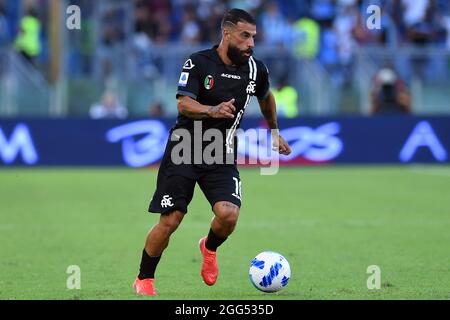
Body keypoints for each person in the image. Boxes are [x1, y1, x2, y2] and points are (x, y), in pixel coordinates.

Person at [133, 8, 292, 296]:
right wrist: (212, 110)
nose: (251, 43)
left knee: (229, 214)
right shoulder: (198, 63)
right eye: (245, 36)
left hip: (221, 152)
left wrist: (274, 130)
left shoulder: (256, 70)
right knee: (171, 219)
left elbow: (266, 97)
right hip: (185, 147)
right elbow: (183, 104)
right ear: (227, 33)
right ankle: (145, 278)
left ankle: (209, 246)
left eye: (254, 37)